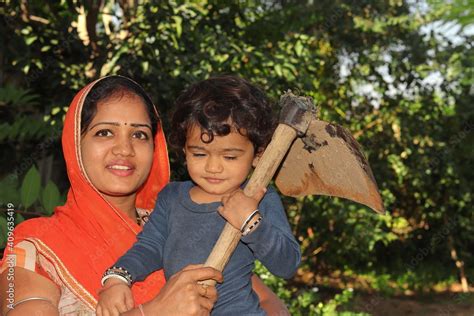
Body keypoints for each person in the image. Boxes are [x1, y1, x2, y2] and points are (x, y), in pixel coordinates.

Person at [0, 76, 289, 315]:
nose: (124, 149)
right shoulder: (37, 244)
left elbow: (267, 301)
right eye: (104, 133)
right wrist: (153, 311)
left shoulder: (184, 217)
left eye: (138, 134)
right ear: (75, 142)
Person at [97, 75, 301, 315]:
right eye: (200, 154)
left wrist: (251, 222)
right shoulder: (171, 198)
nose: (213, 168)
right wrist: (117, 278)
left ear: (258, 155)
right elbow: (149, 247)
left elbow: (287, 264)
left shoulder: (258, 198)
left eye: (230, 157)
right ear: (185, 149)